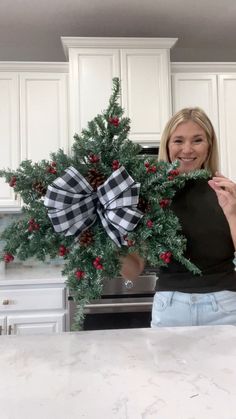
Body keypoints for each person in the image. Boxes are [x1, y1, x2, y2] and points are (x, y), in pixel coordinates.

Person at [121, 107, 236, 327]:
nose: (187, 149)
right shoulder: (153, 198)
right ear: (167, 145)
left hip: (225, 306)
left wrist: (233, 212)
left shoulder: (227, 193)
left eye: (197, 140)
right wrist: (107, 240)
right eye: (178, 141)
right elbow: (133, 269)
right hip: (170, 309)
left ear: (209, 145)